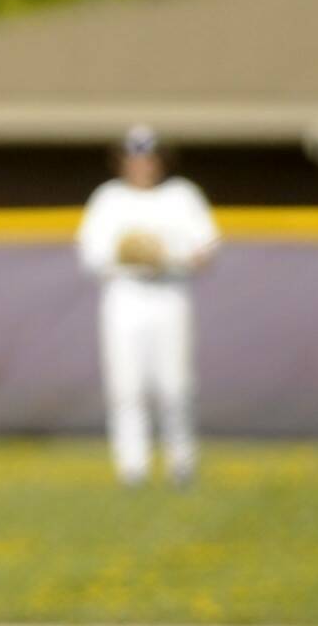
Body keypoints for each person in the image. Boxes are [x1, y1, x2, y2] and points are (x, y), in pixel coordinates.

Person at [76, 125, 219, 487]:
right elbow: (91, 255)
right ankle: (132, 468)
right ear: (123, 161)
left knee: (175, 385)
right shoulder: (108, 198)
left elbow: (206, 250)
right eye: (135, 157)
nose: (142, 165)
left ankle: (182, 466)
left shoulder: (182, 195)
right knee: (126, 386)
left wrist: (166, 254)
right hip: (125, 296)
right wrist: (126, 253)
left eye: (149, 157)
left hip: (169, 293)